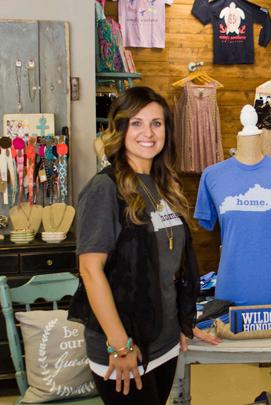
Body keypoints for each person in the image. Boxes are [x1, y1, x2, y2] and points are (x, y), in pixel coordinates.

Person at [68, 86, 220, 405]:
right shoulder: (104, 188)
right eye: (136, 123)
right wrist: (119, 344)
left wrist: (182, 322)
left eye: (156, 123)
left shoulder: (164, 186)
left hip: (163, 340)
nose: (148, 133)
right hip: (124, 347)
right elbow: (90, 271)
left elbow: (169, 268)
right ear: (120, 129)